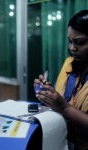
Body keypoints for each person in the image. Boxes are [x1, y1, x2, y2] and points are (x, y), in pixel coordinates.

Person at [34, 10, 88, 150]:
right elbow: (60, 101)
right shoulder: (69, 63)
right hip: (61, 139)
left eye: (79, 42)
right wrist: (48, 94)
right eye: (69, 41)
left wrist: (64, 107)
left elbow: (64, 106)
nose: (72, 48)